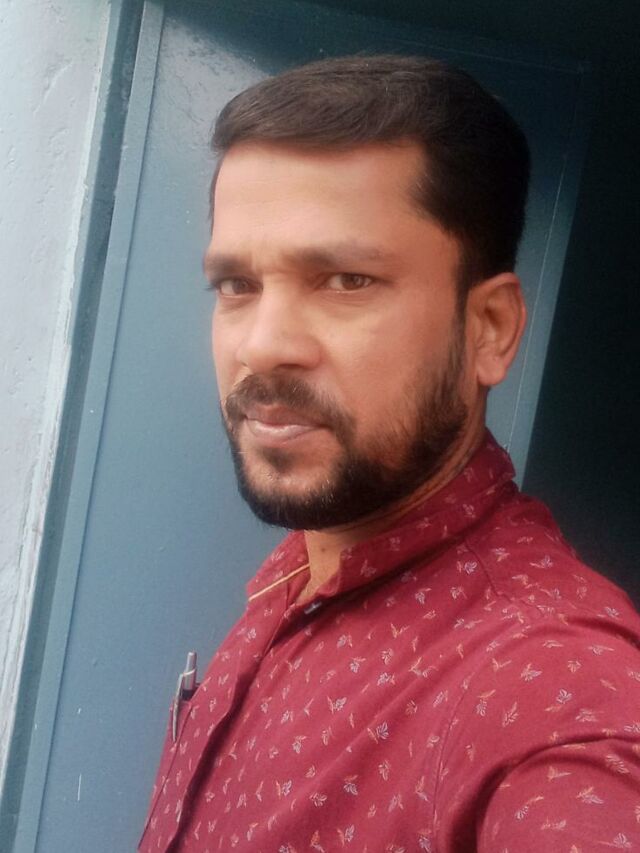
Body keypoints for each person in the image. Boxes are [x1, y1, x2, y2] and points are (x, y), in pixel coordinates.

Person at [139, 56, 640, 852]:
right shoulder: (306, 564)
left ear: (490, 329)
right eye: (237, 285)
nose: (261, 346)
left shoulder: (553, 684)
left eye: (346, 280)